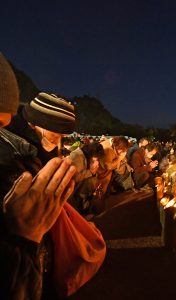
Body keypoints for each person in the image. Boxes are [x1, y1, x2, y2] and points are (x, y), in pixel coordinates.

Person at [0, 53, 105, 299]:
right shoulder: (12, 158)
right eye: (57, 135)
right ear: (37, 124)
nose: (60, 142)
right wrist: (23, 236)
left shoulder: (35, 153)